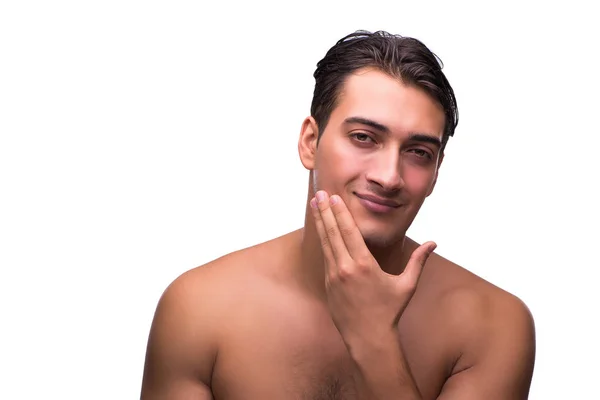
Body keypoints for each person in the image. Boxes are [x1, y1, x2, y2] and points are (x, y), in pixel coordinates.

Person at [140, 30, 536, 399]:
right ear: (310, 142)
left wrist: (375, 339)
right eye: (364, 138)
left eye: (418, 152)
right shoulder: (200, 307)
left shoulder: (493, 324)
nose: (389, 177)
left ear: (435, 173)